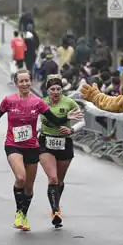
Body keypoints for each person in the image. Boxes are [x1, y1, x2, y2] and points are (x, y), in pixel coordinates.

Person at [0, 69, 83, 231]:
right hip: (13, 144)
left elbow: (54, 121)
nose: (24, 84)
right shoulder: (9, 100)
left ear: (31, 82)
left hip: (32, 146)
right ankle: (19, 213)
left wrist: (67, 118)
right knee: (21, 178)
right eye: (21, 81)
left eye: (27, 81)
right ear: (16, 83)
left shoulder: (38, 102)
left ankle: (24, 215)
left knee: (29, 187)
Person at [38, 75, 85, 228]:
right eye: (52, 89)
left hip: (64, 143)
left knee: (59, 180)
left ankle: (55, 202)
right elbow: (34, 120)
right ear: (47, 90)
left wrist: (71, 129)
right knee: (52, 178)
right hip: (46, 142)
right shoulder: (42, 103)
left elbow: (82, 121)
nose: (56, 91)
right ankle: (56, 211)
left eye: (58, 89)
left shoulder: (69, 102)